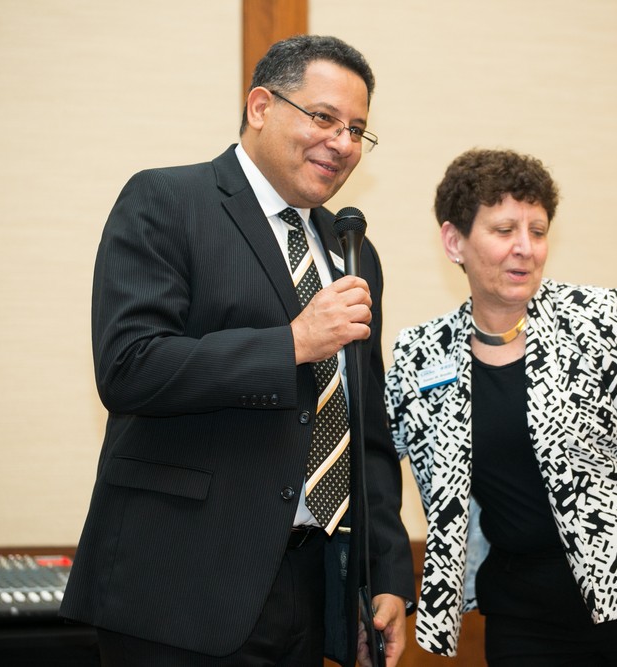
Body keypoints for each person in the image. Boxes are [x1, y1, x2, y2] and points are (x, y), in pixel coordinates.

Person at [60, 35, 415, 667]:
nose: (343, 143)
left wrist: (384, 575)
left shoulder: (352, 251)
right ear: (260, 106)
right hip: (179, 589)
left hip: (312, 588)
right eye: (324, 117)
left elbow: (365, 427)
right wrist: (292, 343)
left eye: (358, 129)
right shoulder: (167, 201)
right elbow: (129, 367)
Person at [385, 148, 617, 666]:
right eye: (505, 229)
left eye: (537, 230)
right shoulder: (422, 355)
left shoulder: (600, 319)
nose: (525, 248)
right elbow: (370, 460)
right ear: (454, 241)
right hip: (525, 617)